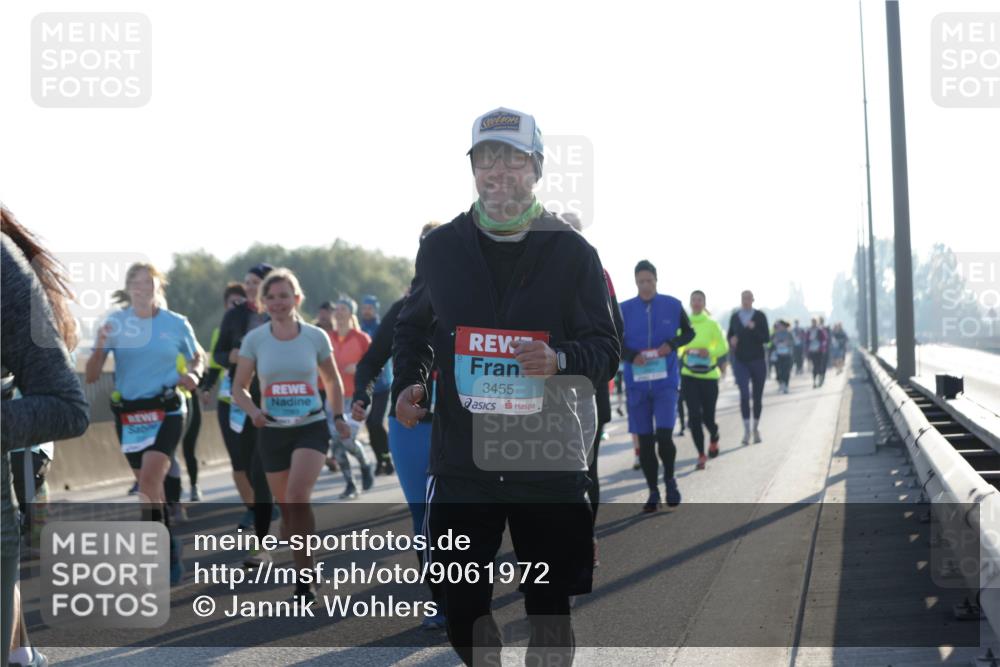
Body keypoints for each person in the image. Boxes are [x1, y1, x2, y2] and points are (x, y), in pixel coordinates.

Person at [392, 107, 620, 665]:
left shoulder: (572, 253)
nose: (498, 171)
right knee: (459, 601)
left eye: (512, 159)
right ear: (473, 169)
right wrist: (410, 381)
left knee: (548, 607)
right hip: (463, 459)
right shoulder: (441, 248)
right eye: (486, 158)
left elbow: (606, 349)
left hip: (546, 458)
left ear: (536, 168)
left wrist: (559, 357)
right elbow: (413, 326)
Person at [2, 207, 90, 667]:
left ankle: (19, 652)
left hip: (27, 442)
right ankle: (22, 652)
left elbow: (67, 403)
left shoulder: (11, 277)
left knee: (13, 549)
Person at [232, 268, 352, 603]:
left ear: (296, 299)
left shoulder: (315, 336)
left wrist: (338, 416)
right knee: (289, 512)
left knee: (298, 496)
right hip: (272, 431)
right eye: (270, 297)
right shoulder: (255, 340)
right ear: (262, 302)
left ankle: (305, 582)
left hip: (310, 427)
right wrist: (254, 411)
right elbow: (238, 387)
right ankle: (306, 568)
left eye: (284, 296)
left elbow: (332, 381)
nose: (277, 303)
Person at [353, 222, 446, 629]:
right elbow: (370, 362)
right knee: (423, 514)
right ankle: (440, 599)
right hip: (410, 425)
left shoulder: (478, 302)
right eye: (427, 248)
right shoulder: (405, 308)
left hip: (464, 424)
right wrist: (362, 393)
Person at [86, 263, 203, 585]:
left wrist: (194, 373)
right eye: (136, 284)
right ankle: (167, 542)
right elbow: (93, 374)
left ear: (158, 287)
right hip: (130, 415)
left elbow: (198, 356)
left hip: (167, 409)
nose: (143, 289)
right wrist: (99, 345)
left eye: (149, 283)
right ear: (129, 290)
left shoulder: (176, 323)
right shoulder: (115, 323)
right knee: (149, 490)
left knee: (151, 479)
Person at [212, 263, 279, 565]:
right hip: (238, 399)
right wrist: (231, 357)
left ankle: (263, 540)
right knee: (244, 466)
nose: (250, 287)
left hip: (273, 401)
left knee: (263, 469)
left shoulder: (279, 315)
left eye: (256, 282)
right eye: (248, 282)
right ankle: (259, 520)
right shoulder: (235, 315)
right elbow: (218, 353)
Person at [620, 260, 695, 511]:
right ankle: (652, 492)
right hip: (637, 385)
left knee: (664, 435)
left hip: (665, 383)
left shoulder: (672, 305)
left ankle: (670, 481)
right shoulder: (623, 310)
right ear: (636, 283)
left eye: (649, 280)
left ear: (656, 280)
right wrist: (631, 356)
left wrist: (672, 345)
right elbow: (612, 342)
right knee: (645, 441)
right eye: (641, 281)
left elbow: (689, 333)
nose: (645, 286)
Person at [203, 283, 255, 506]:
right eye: (232, 302)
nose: (236, 305)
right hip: (229, 399)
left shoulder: (262, 323)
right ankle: (252, 508)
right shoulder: (222, 329)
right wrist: (207, 387)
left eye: (240, 301)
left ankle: (267, 503)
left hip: (258, 398)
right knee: (238, 460)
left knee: (257, 459)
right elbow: (216, 360)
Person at [318, 298, 374, 498]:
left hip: (357, 397)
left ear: (351, 314)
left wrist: (358, 368)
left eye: (344, 309)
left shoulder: (362, 338)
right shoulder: (326, 338)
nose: (339, 313)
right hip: (334, 398)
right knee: (336, 441)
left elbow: (376, 367)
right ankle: (351, 484)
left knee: (347, 439)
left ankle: (365, 464)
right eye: (337, 309)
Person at [677, 290, 729, 469]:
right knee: (694, 416)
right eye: (694, 300)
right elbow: (677, 344)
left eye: (700, 300)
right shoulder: (684, 322)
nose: (697, 303)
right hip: (689, 375)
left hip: (708, 376)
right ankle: (701, 454)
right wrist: (684, 351)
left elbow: (723, 347)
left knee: (708, 417)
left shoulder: (712, 323)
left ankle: (714, 436)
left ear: (704, 303)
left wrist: (709, 352)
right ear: (690, 303)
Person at [727, 290, 770, 445]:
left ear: (753, 299)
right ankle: (746, 430)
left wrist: (754, 328)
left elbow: (766, 338)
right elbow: (729, 335)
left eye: (748, 298)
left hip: (757, 360)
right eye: (743, 298)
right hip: (741, 361)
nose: (745, 301)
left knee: (757, 396)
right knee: (744, 394)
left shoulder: (760, 316)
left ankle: (756, 428)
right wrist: (731, 340)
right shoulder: (735, 317)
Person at [359, 295, 394, 475]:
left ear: (376, 309)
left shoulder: (383, 327)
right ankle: (380, 460)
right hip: (367, 384)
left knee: (376, 422)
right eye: (364, 307)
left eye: (370, 307)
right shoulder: (359, 328)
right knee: (369, 423)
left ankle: (387, 457)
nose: (367, 310)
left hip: (384, 383)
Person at [770, 320, 795, 394]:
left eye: (780, 325)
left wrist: (787, 343)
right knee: (778, 372)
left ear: (784, 326)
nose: (779, 327)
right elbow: (771, 341)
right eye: (778, 326)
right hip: (778, 356)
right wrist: (775, 341)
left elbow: (793, 342)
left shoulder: (789, 333)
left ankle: (786, 385)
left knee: (786, 371)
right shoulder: (775, 333)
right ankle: (781, 383)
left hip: (787, 355)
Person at [805, 318, 829, 388]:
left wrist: (820, 346)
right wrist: (807, 349)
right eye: (812, 322)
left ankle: (821, 379)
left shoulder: (820, 330)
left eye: (814, 322)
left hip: (820, 351)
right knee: (815, 366)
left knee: (820, 365)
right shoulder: (809, 331)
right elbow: (806, 341)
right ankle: (814, 381)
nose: (813, 323)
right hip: (812, 351)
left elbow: (825, 339)